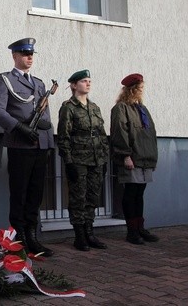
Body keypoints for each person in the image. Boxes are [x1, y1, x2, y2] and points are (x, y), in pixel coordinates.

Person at [0, 37, 54, 257]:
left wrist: (48, 137)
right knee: (20, 192)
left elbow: (45, 113)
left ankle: (33, 236)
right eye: (25, 54)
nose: (29, 57)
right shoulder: (5, 80)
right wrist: (18, 127)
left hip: (40, 145)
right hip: (20, 144)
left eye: (32, 54)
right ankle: (19, 238)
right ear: (15, 56)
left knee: (36, 193)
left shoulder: (39, 83)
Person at [56, 70, 109, 251]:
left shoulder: (94, 108)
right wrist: (68, 161)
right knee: (78, 197)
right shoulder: (68, 107)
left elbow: (102, 135)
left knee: (92, 197)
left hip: (96, 159)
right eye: (84, 81)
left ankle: (89, 232)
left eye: (89, 81)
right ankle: (79, 236)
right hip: (78, 160)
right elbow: (63, 137)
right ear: (73, 85)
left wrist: (105, 158)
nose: (88, 84)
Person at [110, 73, 159, 245]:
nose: (141, 91)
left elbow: (150, 135)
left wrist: (153, 157)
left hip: (145, 157)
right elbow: (119, 133)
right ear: (131, 90)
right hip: (132, 157)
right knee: (130, 193)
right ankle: (131, 231)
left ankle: (140, 228)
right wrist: (125, 155)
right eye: (138, 89)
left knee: (139, 194)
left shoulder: (142, 109)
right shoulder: (121, 108)